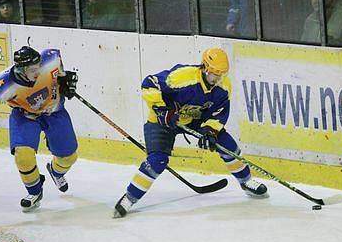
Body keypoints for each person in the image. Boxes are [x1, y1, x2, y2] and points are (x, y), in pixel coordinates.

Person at [113, 48, 268, 218]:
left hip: (195, 121)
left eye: (222, 73)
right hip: (164, 120)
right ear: (204, 66)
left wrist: (210, 130)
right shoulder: (183, 77)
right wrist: (160, 109)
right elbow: (149, 83)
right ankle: (129, 198)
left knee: (227, 145)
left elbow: (219, 112)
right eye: (215, 72)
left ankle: (246, 182)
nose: (217, 78)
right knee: (158, 161)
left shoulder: (224, 87)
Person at [0, 44, 79, 212]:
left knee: (69, 157)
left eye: (38, 67)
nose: (38, 72)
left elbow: (60, 74)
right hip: (25, 116)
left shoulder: (50, 58)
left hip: (54, 111)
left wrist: (65, 81)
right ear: (21, 70)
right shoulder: (5, 83)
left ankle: (56, 172)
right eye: (33, 70)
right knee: (23, 156)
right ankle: (35, 192)